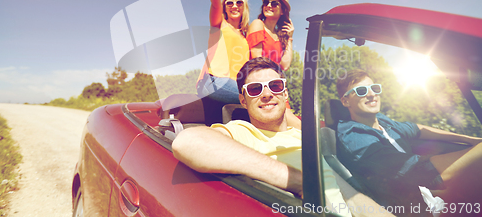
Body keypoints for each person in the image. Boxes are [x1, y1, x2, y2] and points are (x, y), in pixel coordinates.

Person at [173, 57, 396, 217]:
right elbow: (187, 142)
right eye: (255, 89)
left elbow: (345, 193)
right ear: (243, 100)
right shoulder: (243, 131)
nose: (267, 94)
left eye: (275, 85)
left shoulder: (301, 136)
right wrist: (297, 181)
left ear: (285, 94)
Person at [336, 69, 482, 214]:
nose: (372, 94)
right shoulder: (355, 138)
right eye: (361, 91)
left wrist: (470, 139)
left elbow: (417, 129)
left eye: (374, 88)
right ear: (345, 100)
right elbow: (427, 173)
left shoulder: (381, 120)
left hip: (428, 199)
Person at [196, 0, 250, 104]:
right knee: (256, 99)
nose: (234, 6)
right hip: (213, 81)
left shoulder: (245, 36)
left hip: (234, 85)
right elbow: (214, 2)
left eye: (239, 2)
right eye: (229, 2)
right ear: (225, 7)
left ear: (244, 6)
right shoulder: (219, 24)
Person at [247, 0, 294, 71]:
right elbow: (257, 61)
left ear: (282, 11)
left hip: (274, 80)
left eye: (274, 4)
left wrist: (290, 39)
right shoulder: (258, 24)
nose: (268, 6)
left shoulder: (280, 37)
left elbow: (285, 66)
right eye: (266, 3)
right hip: (259, 79)